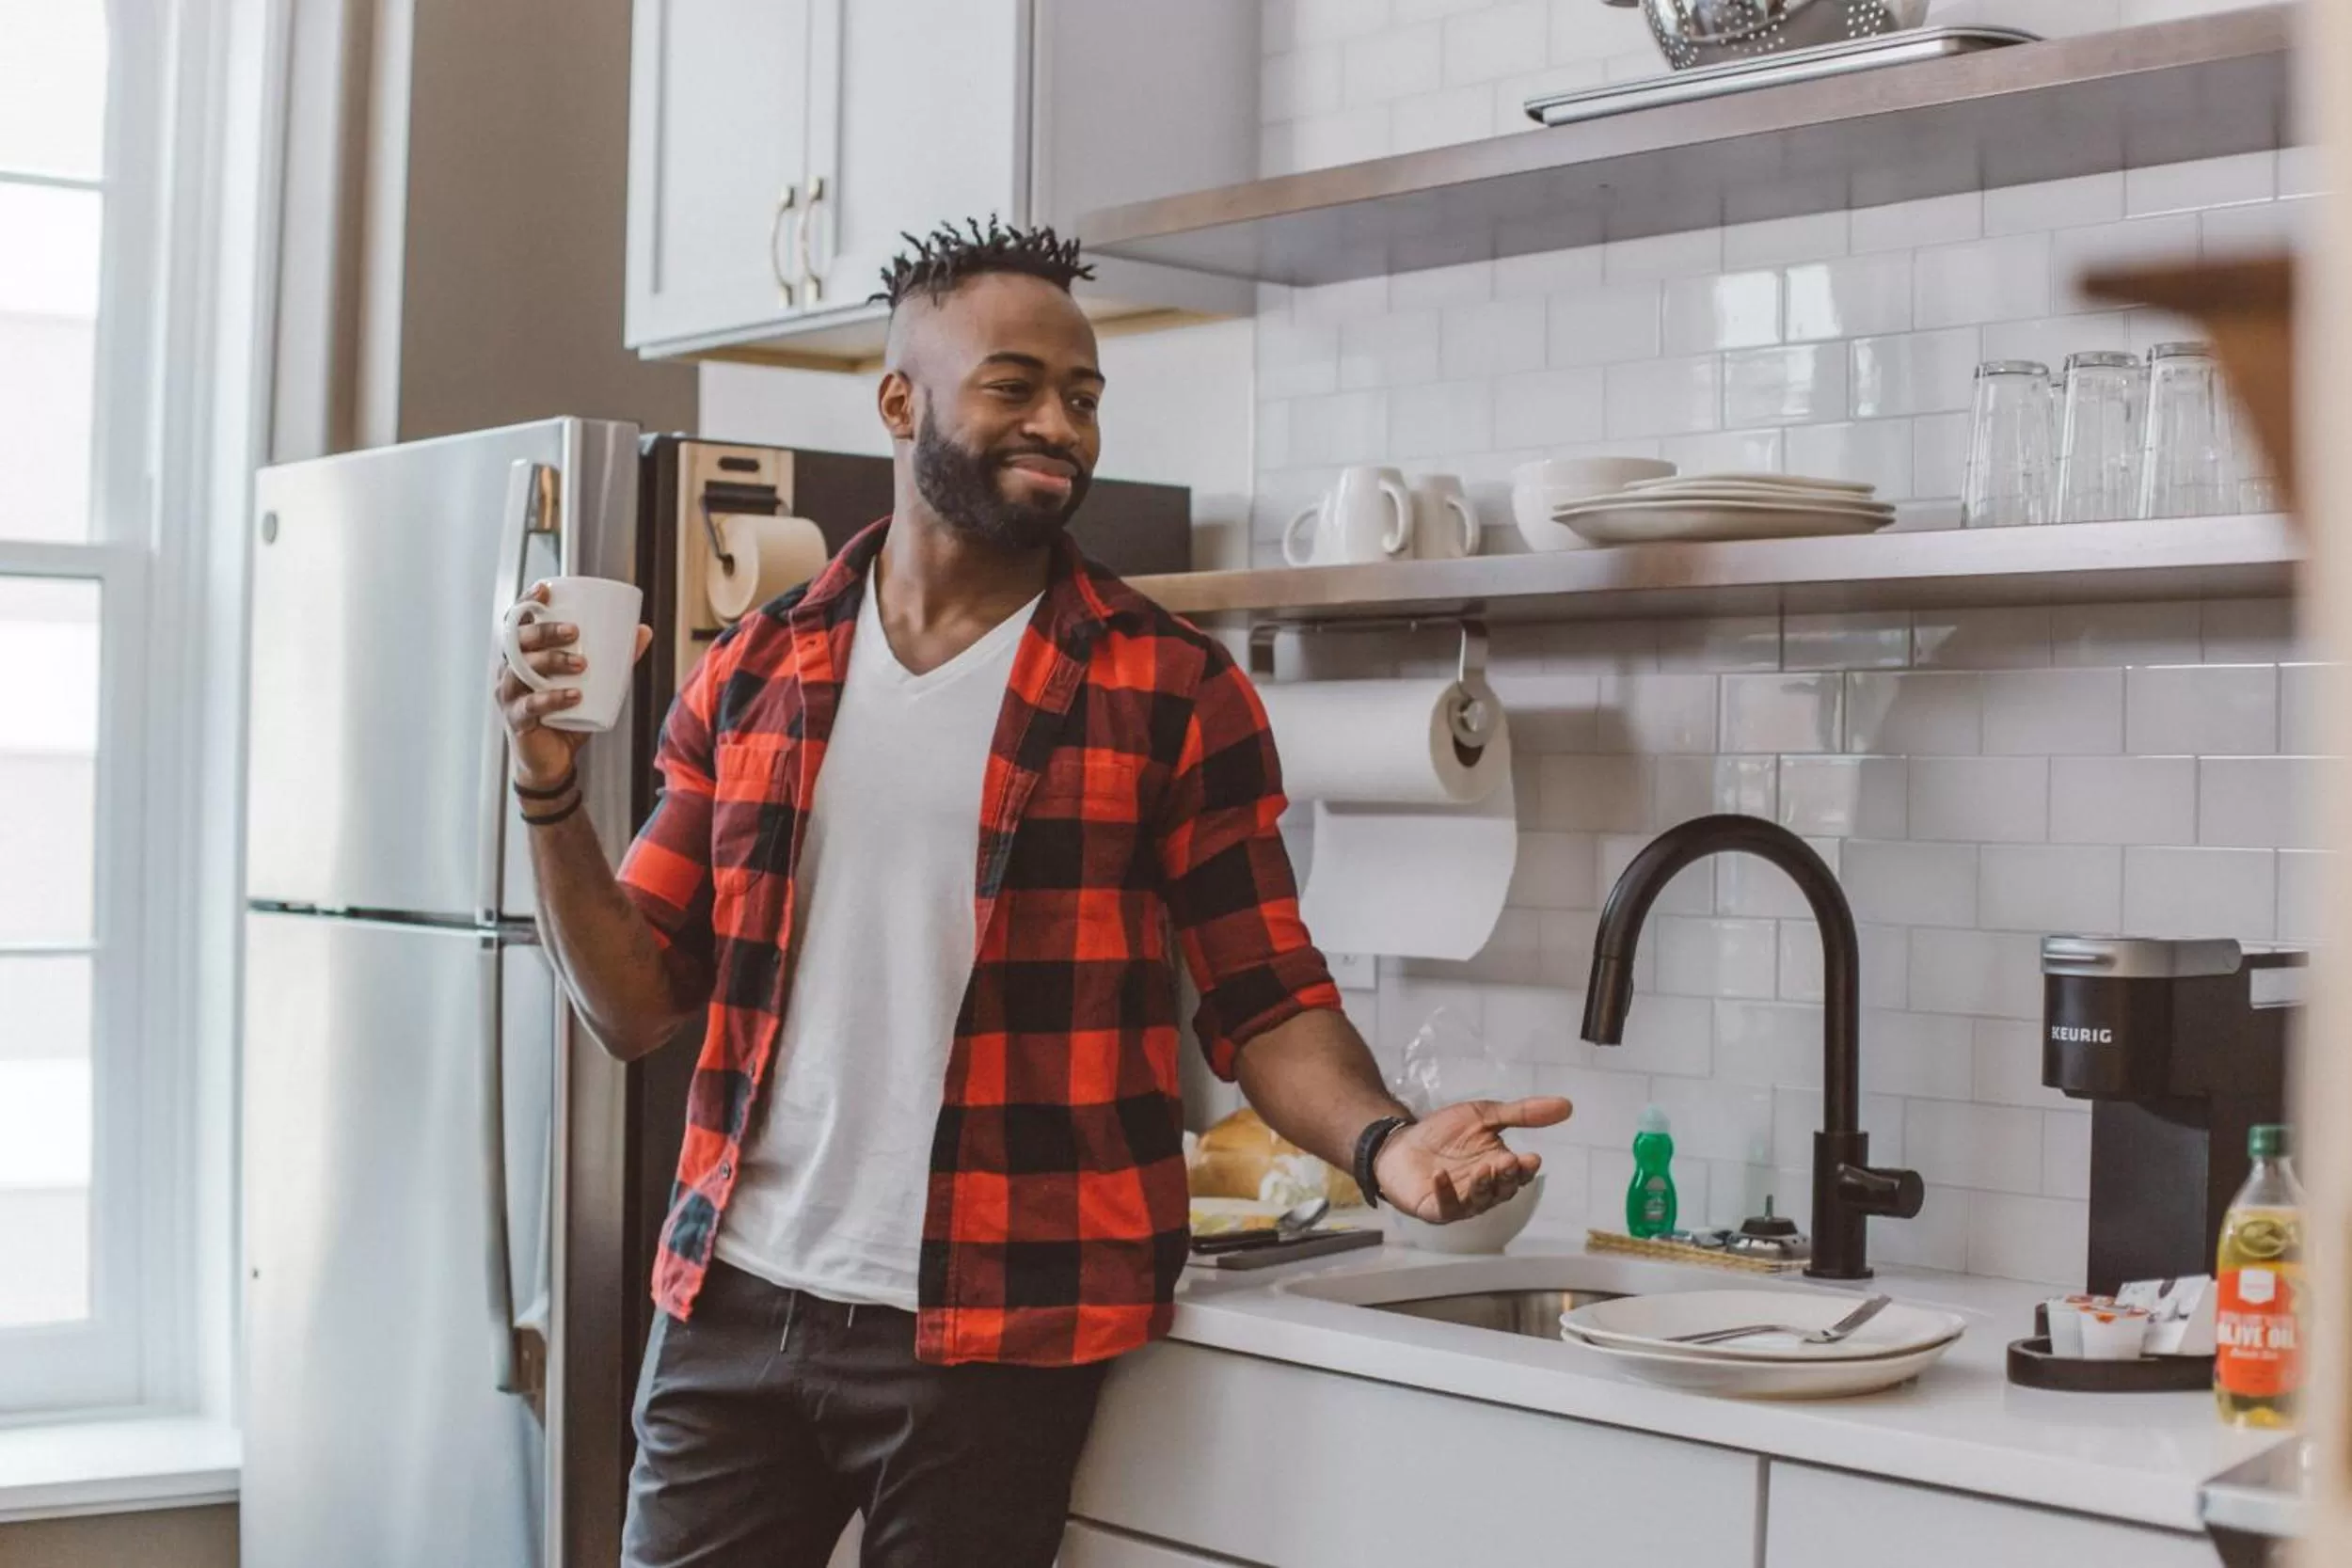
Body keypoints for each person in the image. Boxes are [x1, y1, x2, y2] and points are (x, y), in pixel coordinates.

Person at [495, 217, 1573, 1568]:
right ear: (902, 400)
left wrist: (1381, 1143)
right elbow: (634, 1000)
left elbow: (1267, 995)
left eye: (1082, 394)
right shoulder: (756, 669)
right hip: (735, 1300)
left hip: (1000, 1335)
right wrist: (547, 791)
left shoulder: (1171, 688)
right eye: (1016, 385)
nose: (1059, 422)